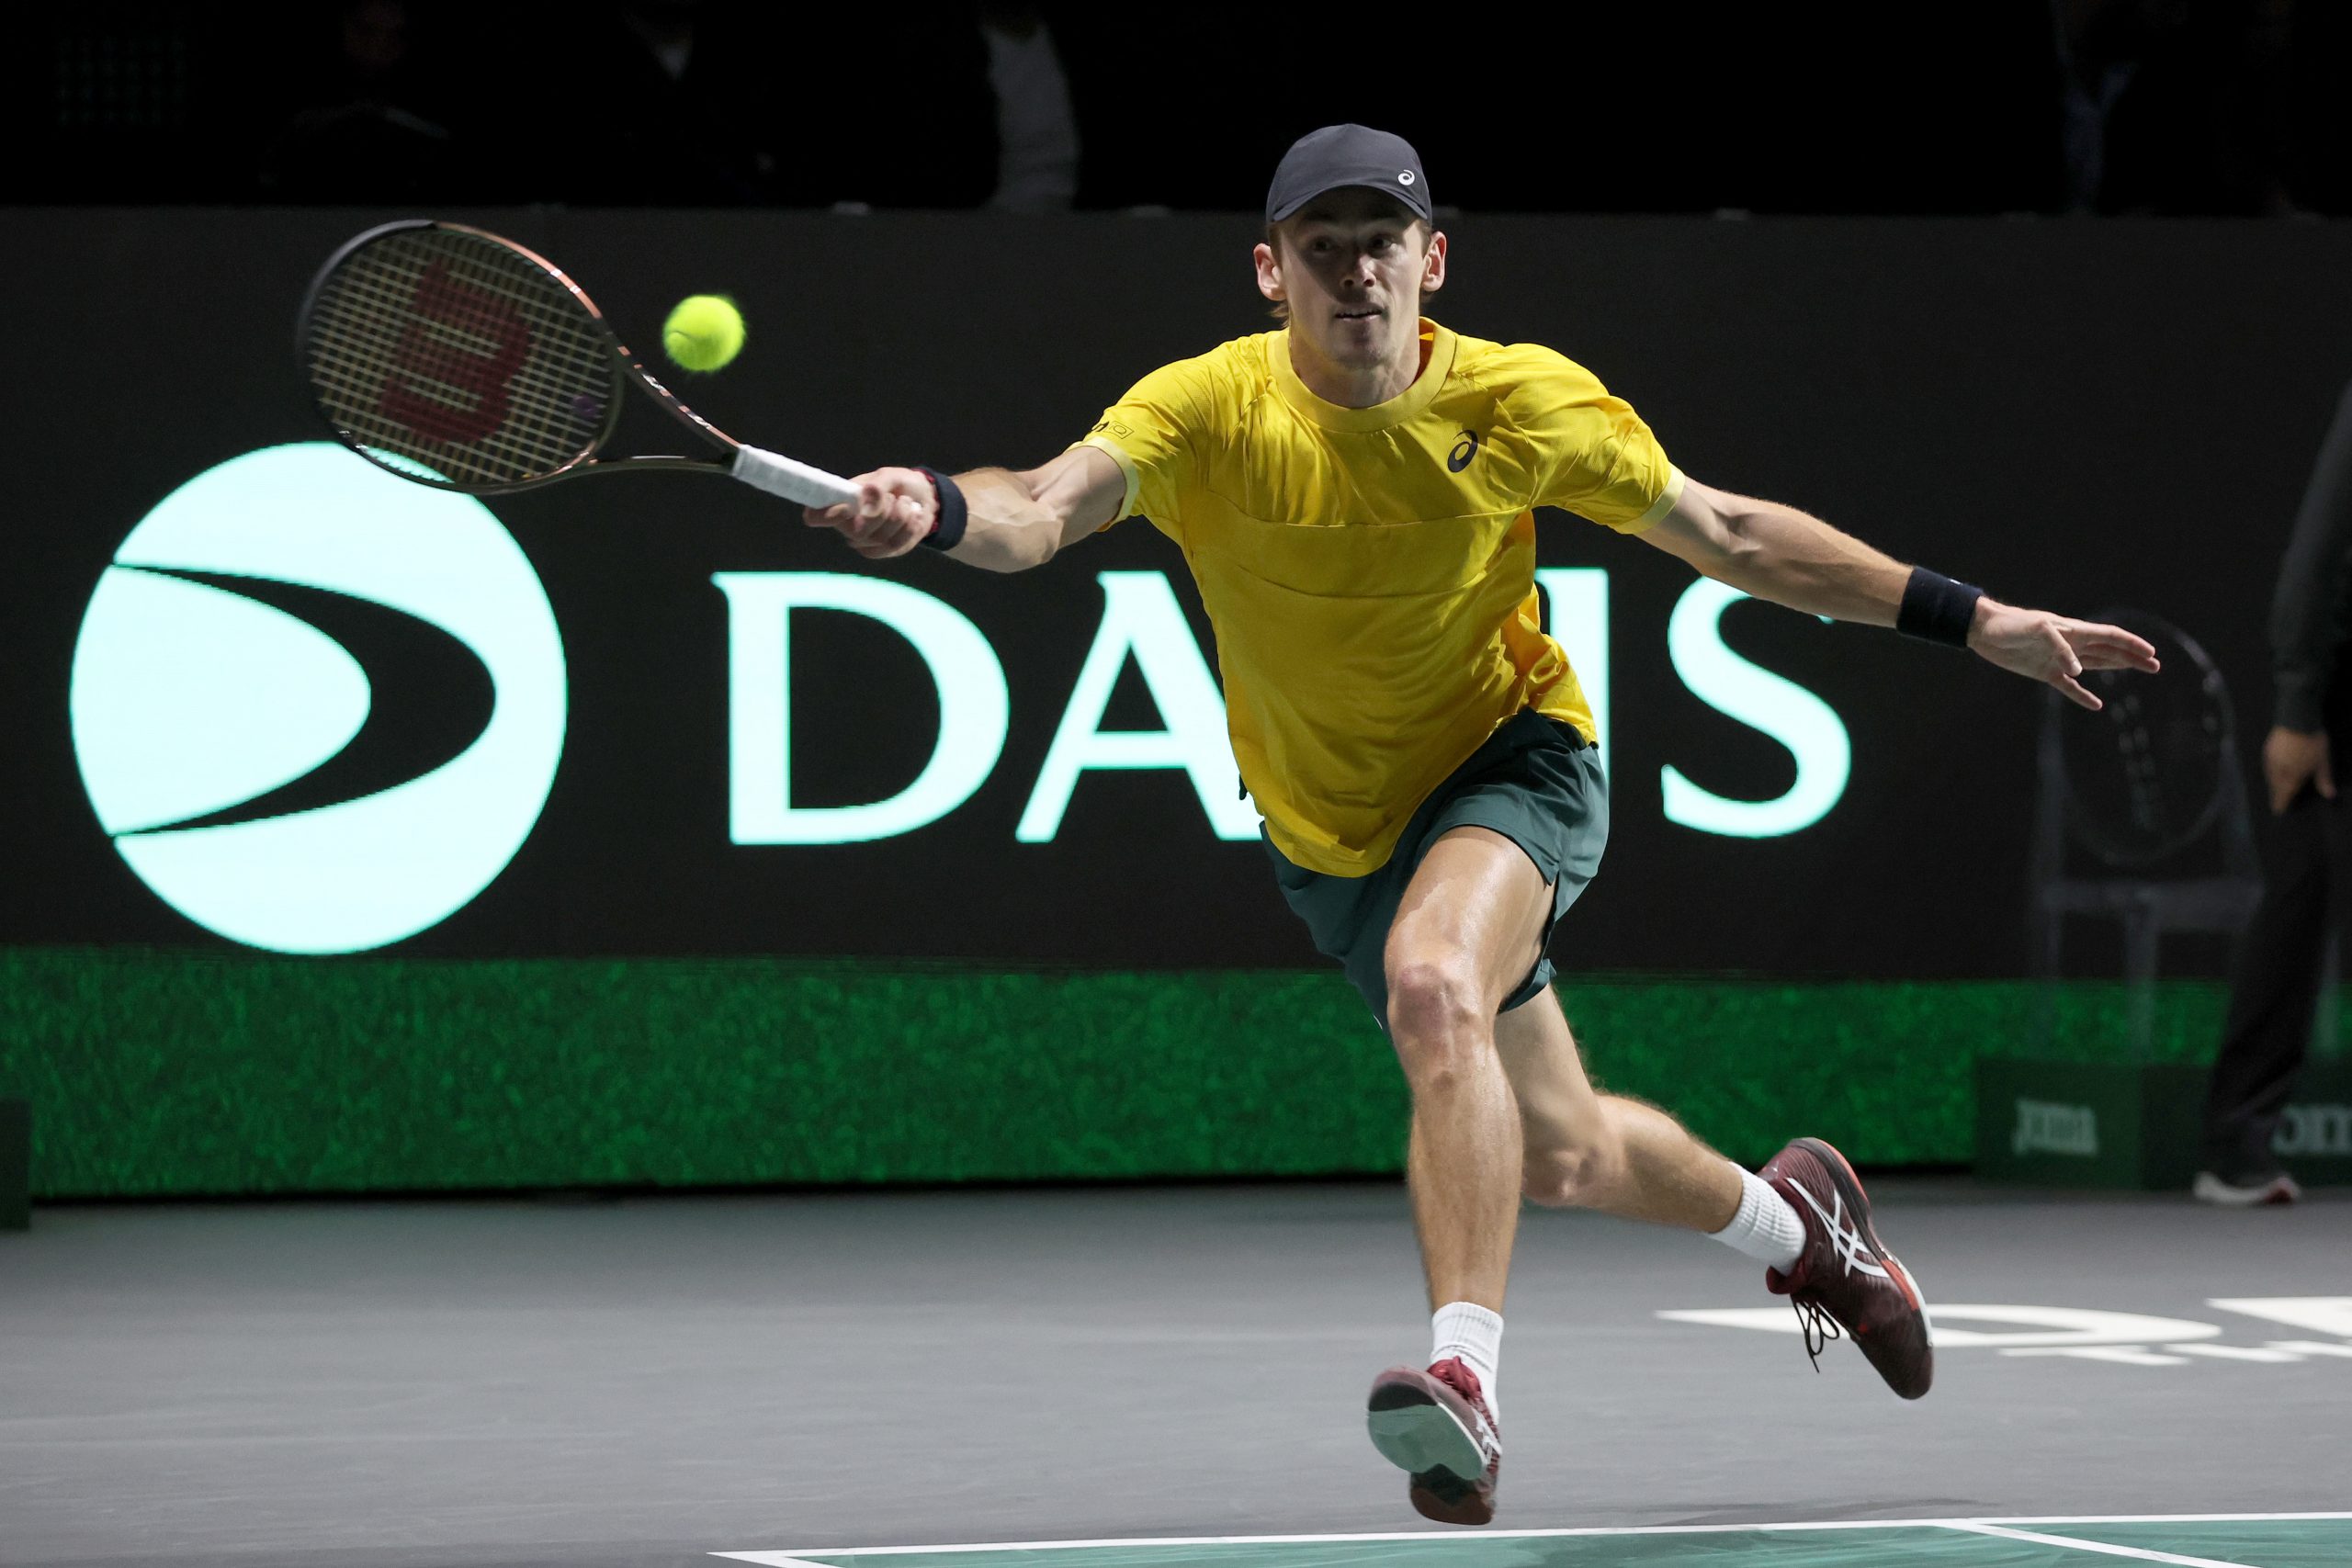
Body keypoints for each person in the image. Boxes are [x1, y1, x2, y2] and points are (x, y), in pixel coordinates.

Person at [803, 125, 2160, 1527]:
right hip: (1333, 838)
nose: (1356, 274)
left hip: (1513, 761)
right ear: (1270, 274)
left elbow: (1733, 534)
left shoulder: (1521, 402)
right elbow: (1040, 506)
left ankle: (1468, 1382)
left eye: (1381, 242)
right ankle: (1803, 1227)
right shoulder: (1203, 412)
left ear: (1431, 261)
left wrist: (1979, 617)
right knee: (1561, 1147)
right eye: (1321, 250)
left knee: (1435, 984)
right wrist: (941, 506)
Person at [2197, 377, 2352, 1206]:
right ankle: (2236, 1142)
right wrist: (2298, 706)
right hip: (2336, 703)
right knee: (2300, 899)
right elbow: (2319, 550)